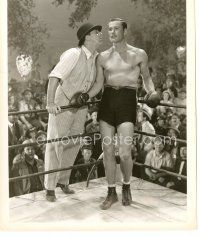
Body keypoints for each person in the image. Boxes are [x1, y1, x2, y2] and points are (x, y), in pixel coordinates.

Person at [87, 18, 159, 209]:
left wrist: (152, 92)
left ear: (125, 31)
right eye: (109, 29)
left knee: (125, 153)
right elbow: (97, 85)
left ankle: (126, 186)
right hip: (107, 101)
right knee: (108, 151)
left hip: (128, 101)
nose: (111, 32)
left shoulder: (139, 54)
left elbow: (147, 79)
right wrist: (85, 96)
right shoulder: (102, 57)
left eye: (116, 29)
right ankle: (111, 192)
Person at [44, 22, 103, 202]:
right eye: (96, 32)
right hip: (63, 103)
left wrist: (86, 97)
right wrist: (50, 102)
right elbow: (54, 77)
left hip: (80, 105)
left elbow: (99, 84)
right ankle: (49, 187)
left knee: (74, 143)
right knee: (55, 144)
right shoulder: (73, 54)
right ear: (86, 37)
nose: (100, 34)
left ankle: (63, 181)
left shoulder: (96, 57)